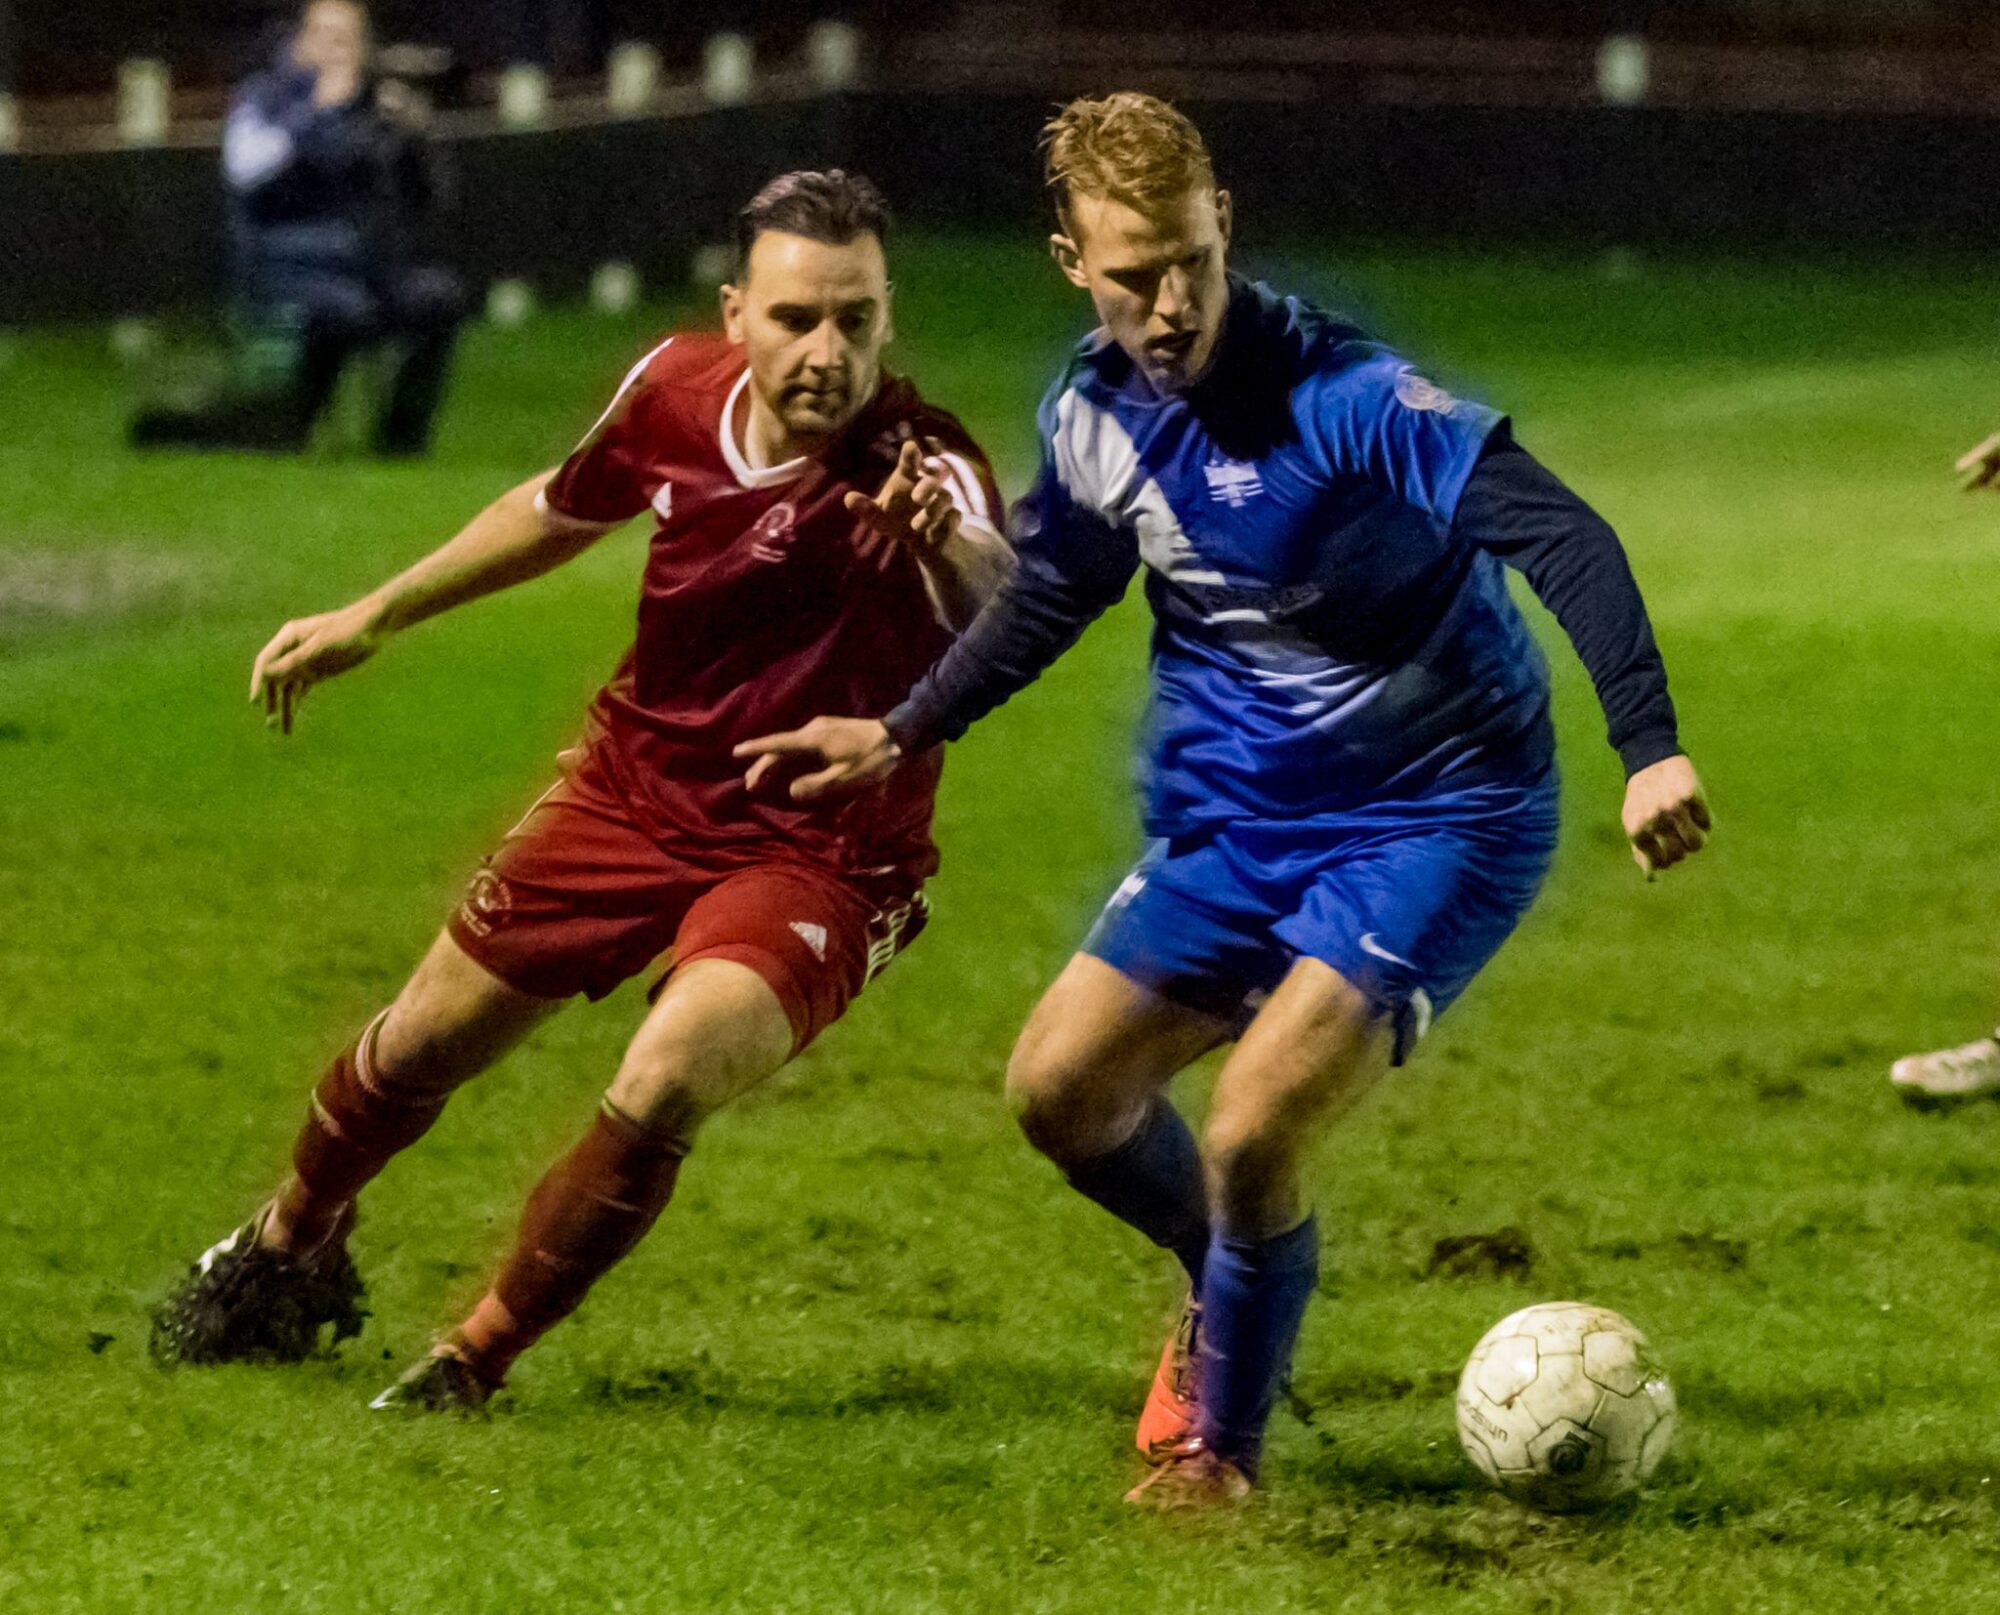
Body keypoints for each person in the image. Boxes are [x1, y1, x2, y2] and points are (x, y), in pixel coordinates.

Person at [736, 94, 1711, 1509]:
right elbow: (1058, 588)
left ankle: (1220, 1454)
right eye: (1135, 272)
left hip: (1440, 813)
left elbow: (1560, 530)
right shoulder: (1093, 410)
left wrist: (1652, 744)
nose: (1173, 298)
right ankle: (1231, 1268)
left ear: (1224, 227)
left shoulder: (1347, 394)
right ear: (1073, 257)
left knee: (1254, 1124)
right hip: (1243, 823)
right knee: (1059, 1090)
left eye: (1192, 257)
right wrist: (905, 725)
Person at [150, 169, 1010, 1411]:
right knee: (409, 1053)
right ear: (735, 314)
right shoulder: (670, 393)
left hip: (818, 850)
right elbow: (558, 509)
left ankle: (471, 1360)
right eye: (795, 318)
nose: (828, 351)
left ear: (887, 319)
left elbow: (999, 603)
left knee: (665, 1074)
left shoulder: (924, 467)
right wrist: (375, 612)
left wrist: (945, 546)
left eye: (855, 319)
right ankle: (288, 1243)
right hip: (632, 791)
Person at [133, 0, 463, 456]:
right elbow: (248, 172)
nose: (335, 50)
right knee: (344, 312)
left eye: (346, 39)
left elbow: (429, 197)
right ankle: (286, 424)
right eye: (324, 37)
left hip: (369, 266)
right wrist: (322, 114)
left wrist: (412, 133)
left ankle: (399, 443)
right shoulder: (266, 99)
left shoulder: (382, 106)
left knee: (436, 298)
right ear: (300, 41)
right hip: (287, 264)